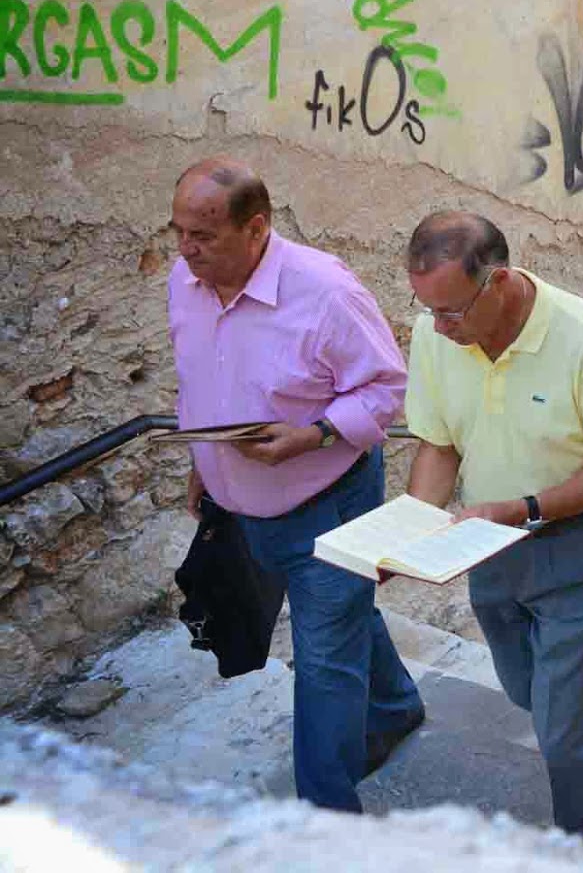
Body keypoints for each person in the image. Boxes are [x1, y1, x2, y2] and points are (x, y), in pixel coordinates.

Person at [402, 211, 583, 855]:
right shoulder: (436, 332)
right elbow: (439, 444)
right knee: (526, 687)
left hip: (580, 541)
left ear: (497, 281)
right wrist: (410, 531)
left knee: (562, 722)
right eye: (427, 311)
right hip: (489, 538)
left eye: (450, 312)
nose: (437, 329)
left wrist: (521, 509)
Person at [166, 159, 424, 813]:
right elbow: (202, 379)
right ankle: (395, 704)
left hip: (329, 503)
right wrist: (205, 459)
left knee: (323, 664)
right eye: (177, 232)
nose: (185, 251)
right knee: (342, 616)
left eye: (203, 237)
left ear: (256, 229)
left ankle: (325, 820)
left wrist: (312, 435)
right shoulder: (184, 280)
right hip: (246, 511)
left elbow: (386, 389)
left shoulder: (325, 293)